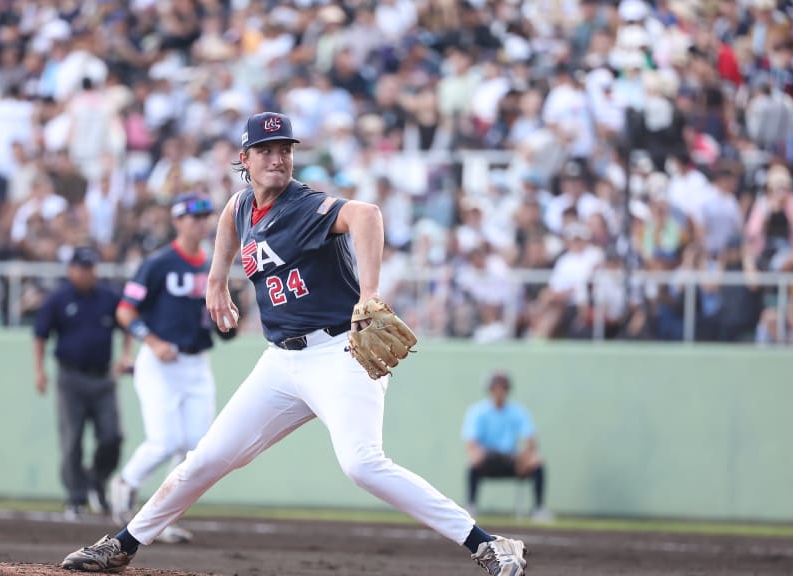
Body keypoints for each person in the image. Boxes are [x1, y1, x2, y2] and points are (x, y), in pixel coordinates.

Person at [61, 112, 528, 575]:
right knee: (205, 459)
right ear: (244, 158)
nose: (278, 158)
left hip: (340, 353)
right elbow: (228, 217)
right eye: (266, 150)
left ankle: (487, 544)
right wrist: (216, 279)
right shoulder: (243, 205)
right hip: (282, 362)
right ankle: (121, 546)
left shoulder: (304, 205)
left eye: (284, 149)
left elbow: (367, 215)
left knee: (362, 464)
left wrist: (369, 295)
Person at [109, 193, 230, 544]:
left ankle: (163, 517)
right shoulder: (159, 263)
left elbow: (219, 317)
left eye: (206, 216)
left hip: (196, 361)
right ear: (177, 221)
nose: (201, 223)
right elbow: (125, 311)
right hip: (160, 360)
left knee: (195, 448)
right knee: (165, 441)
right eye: (193, 217)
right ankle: (127, 483)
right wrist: (152, 341)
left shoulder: (211, 263)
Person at [33, 246, 132, 517]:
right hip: (71, 377)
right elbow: (40, 334)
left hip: (102, 378)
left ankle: (96, 480)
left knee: (113, 436)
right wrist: (39, 371)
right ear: (71, 270)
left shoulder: (108, 297)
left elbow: (128, 324)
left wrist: (125, 355)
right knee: (72, 440)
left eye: (92, 267)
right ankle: (75, 497)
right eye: (83, 268)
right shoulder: (59, 299)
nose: (88, 273)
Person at [462, 371, 549, 522]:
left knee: (537, 462)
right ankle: (471, 506)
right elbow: (471, 442)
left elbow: (530, 440)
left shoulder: (518, 412)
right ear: (490, 390)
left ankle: (538, 509)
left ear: (508, 390)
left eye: (503, 388)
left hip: (512, 459)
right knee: (472, 462)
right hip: (488, 459)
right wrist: (477, 454)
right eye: (496, 388)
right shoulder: (477, 412)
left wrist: (526, 456)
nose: (499, 392)